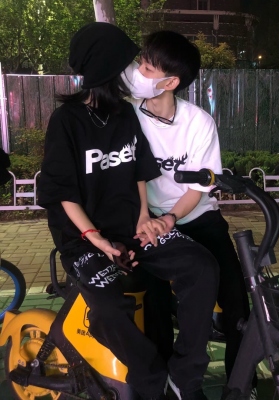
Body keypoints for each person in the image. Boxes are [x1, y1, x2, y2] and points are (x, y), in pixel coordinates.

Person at [37, 22, 219, 400]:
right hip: (83, 240)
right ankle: (152, 379)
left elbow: (138, 171)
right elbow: (63, 193)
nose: (135, 70)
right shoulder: (66, 121)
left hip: (131, 229)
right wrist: (96, 239)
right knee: (108, 309)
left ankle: (185, 376)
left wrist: (143, 217)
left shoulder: (125, 114)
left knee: (202, 267)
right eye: (129, 63)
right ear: (107, 68)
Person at [123, 30, 258, 399]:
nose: (137, 72)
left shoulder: (199, 122)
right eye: (141, 63)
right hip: (148, 220)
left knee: (236, 300)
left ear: (170, 82)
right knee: (154, 301)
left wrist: (170, 219)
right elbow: (129, 175)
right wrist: (149, 218)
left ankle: (241, 383)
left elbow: (199, 188)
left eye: (147, 68)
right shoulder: (128, 116)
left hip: (199, 217)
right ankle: (170, 381)